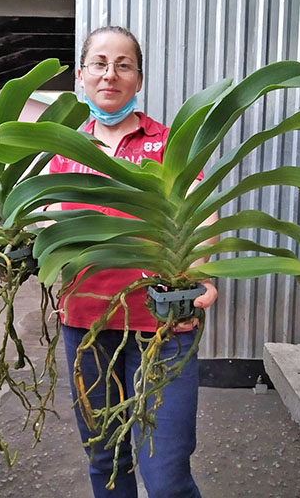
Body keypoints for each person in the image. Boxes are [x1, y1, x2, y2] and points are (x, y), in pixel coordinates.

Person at [47, 26, 218, 498]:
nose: (110, 74)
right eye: (99, 63)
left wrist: (201, 273)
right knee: (106, 460)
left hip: (162, 326)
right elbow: (44, 225)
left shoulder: (167, 143)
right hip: (86, 324)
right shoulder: (63, 152)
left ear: (138, 80)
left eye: (123, 65)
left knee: (166, 474)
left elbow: (203, 216)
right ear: (81, 77)